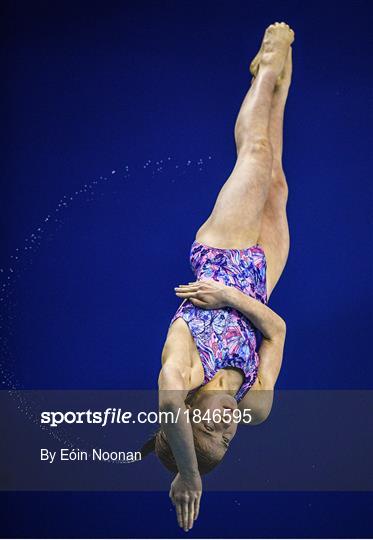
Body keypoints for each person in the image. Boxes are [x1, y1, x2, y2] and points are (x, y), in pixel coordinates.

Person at [141, 22, 294, 532]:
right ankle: (279, 80)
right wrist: (232, 297)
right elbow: (277, 331)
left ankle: (268, 61)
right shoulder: (255, 406)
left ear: (188, 417)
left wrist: (190, 473)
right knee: (276, 181)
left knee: (254, 154)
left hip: (223, 252)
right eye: (227, 441)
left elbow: (166, 400)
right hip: (256, 279)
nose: (228, 426)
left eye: (210, 431)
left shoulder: (182, 371)